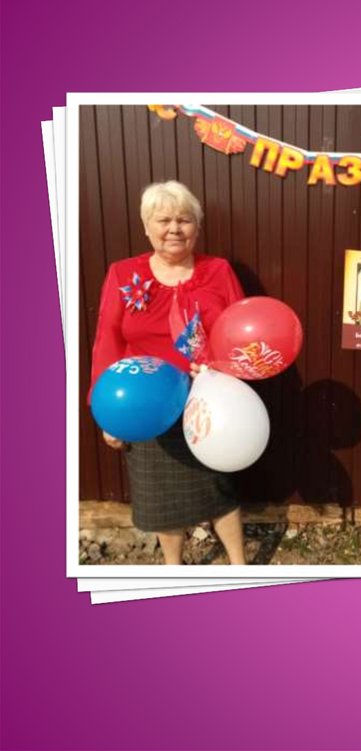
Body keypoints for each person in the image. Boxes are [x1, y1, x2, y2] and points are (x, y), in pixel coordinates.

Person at [90, 181, 247, 565]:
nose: (174, 228)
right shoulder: (123, 273)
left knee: (219, 489)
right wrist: (107, 413)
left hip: (205, 400)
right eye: (164, 220)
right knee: (162, 499)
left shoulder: (218, 271)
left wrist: (220, 365)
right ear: (147, 226)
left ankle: (239, 566)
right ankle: (173, 571)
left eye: (184, 220)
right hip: (145, 408)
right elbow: (107, 341)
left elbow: (239, 331)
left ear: (197, 227)